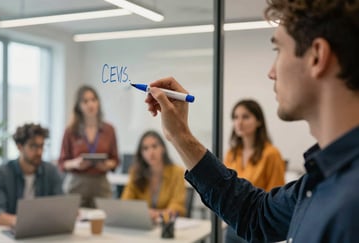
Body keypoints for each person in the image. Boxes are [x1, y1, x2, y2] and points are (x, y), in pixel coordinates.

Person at [144, 0, 359, 242]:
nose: (271, 72)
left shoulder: (350, 200)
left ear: (317, 56)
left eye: (278, 51)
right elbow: (256, 215)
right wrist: (180, 136)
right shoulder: (320, 178)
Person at [224, 99, 285, 243]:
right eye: (235, 117)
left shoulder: (271, 154)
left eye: (245, 117)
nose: (239, 122)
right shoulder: (231, 153)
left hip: (257, 228)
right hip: (232, 226)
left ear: (259, 121)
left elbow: (276, 196)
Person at [0, 123, 63, 227]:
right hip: (9, 233)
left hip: (43, 232)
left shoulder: (50, 171)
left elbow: (60, 205)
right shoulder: (0, 174)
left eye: (42, 146)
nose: (39, 152)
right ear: (20, 147)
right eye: (33, 146)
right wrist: (21, 222)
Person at [58, 85, 119, 208]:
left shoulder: (109, 130)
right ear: (79, 106)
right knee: (74, 221)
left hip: (101, 183)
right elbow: (62, 163)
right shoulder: (70, 131)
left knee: (103, 221)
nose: (90, 104)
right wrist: (76, 163)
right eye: (85, 101)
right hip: (77, 183)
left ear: (98, 103)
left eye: (93, 100)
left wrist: (106, 165)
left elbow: (115, 160)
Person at [121, 130, 186, 222]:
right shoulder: (135, 172)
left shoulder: (177, 172)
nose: (150, 152)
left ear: (163, 148)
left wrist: (158, 214)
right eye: (145, 148)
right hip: (142, 223)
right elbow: (126, 203)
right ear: (141, 153)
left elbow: (178, 205)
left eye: (154, 146)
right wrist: (144, 213)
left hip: (166, 224)